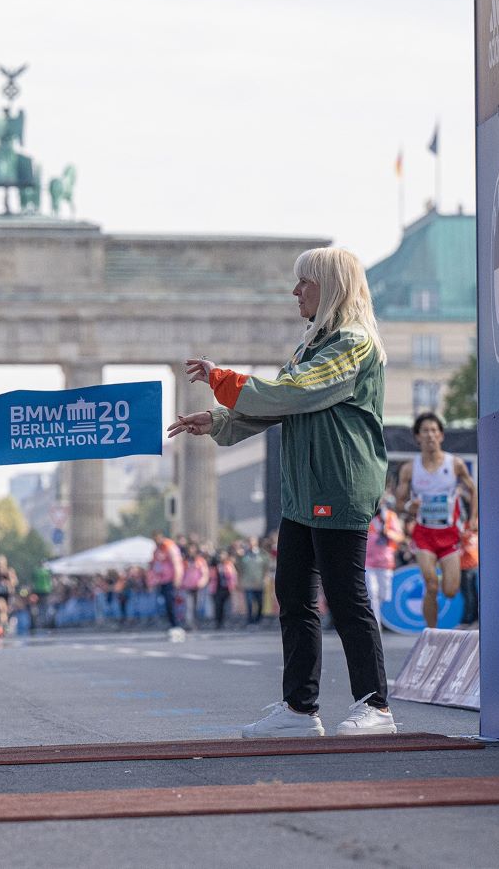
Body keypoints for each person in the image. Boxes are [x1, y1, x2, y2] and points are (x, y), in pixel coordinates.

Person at [170, 246, 396, 737]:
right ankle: (299, 709)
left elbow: (294, 393)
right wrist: (219, 420)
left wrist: (223, 380)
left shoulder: (354, 343)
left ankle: (376, 705)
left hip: (339, 482)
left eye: (305, 282)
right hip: (304, 488)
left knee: (346, 594)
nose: (295, 292)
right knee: (292, 596)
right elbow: (284, 402)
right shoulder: (311, 345)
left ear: (331, 286)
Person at [394, 412, 478, 629]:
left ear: (441, 435)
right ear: (417, 437)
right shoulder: (410, 469)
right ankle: (431, 633)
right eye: (425, 431)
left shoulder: (455, 464)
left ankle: (444, 582)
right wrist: (408, 508)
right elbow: (398, 505)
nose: (430, 435)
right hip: (424, 535)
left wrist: (474, 519)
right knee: (431, 585)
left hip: (450, 536)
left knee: (450, 591)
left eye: (434, 430)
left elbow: (473, 489)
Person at [363, 495, 403, 618]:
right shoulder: (366, 516)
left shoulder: (390, 516)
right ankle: (375, 625)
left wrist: (387, 532)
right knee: (372, 594)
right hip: (368, 562)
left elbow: (400, 537)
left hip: (385, 562)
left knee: (383, 596)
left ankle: (375, 617)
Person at [148, 534, 182, 634]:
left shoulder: (169, 546)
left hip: (170, 580)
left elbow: (177, 563)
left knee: (170, 602)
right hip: (161, 581)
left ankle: (176, 624)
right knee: (164, 604)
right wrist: (152, 581)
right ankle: (171, 624)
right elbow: (154, 567)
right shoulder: (156, 550)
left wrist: (177, 578)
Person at [237, 538, 268, 626]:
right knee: (249, 602)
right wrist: (239, 556)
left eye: (252, 542)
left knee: (260, 602)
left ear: (256, 543)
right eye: (249, 542)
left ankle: (258, 619)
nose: (250, 544)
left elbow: (266, 567)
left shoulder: (262, 554)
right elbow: (239, 567)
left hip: (259, 582)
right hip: (248, 583)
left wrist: (265, 578)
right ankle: (250, 620)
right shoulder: (244, 555)